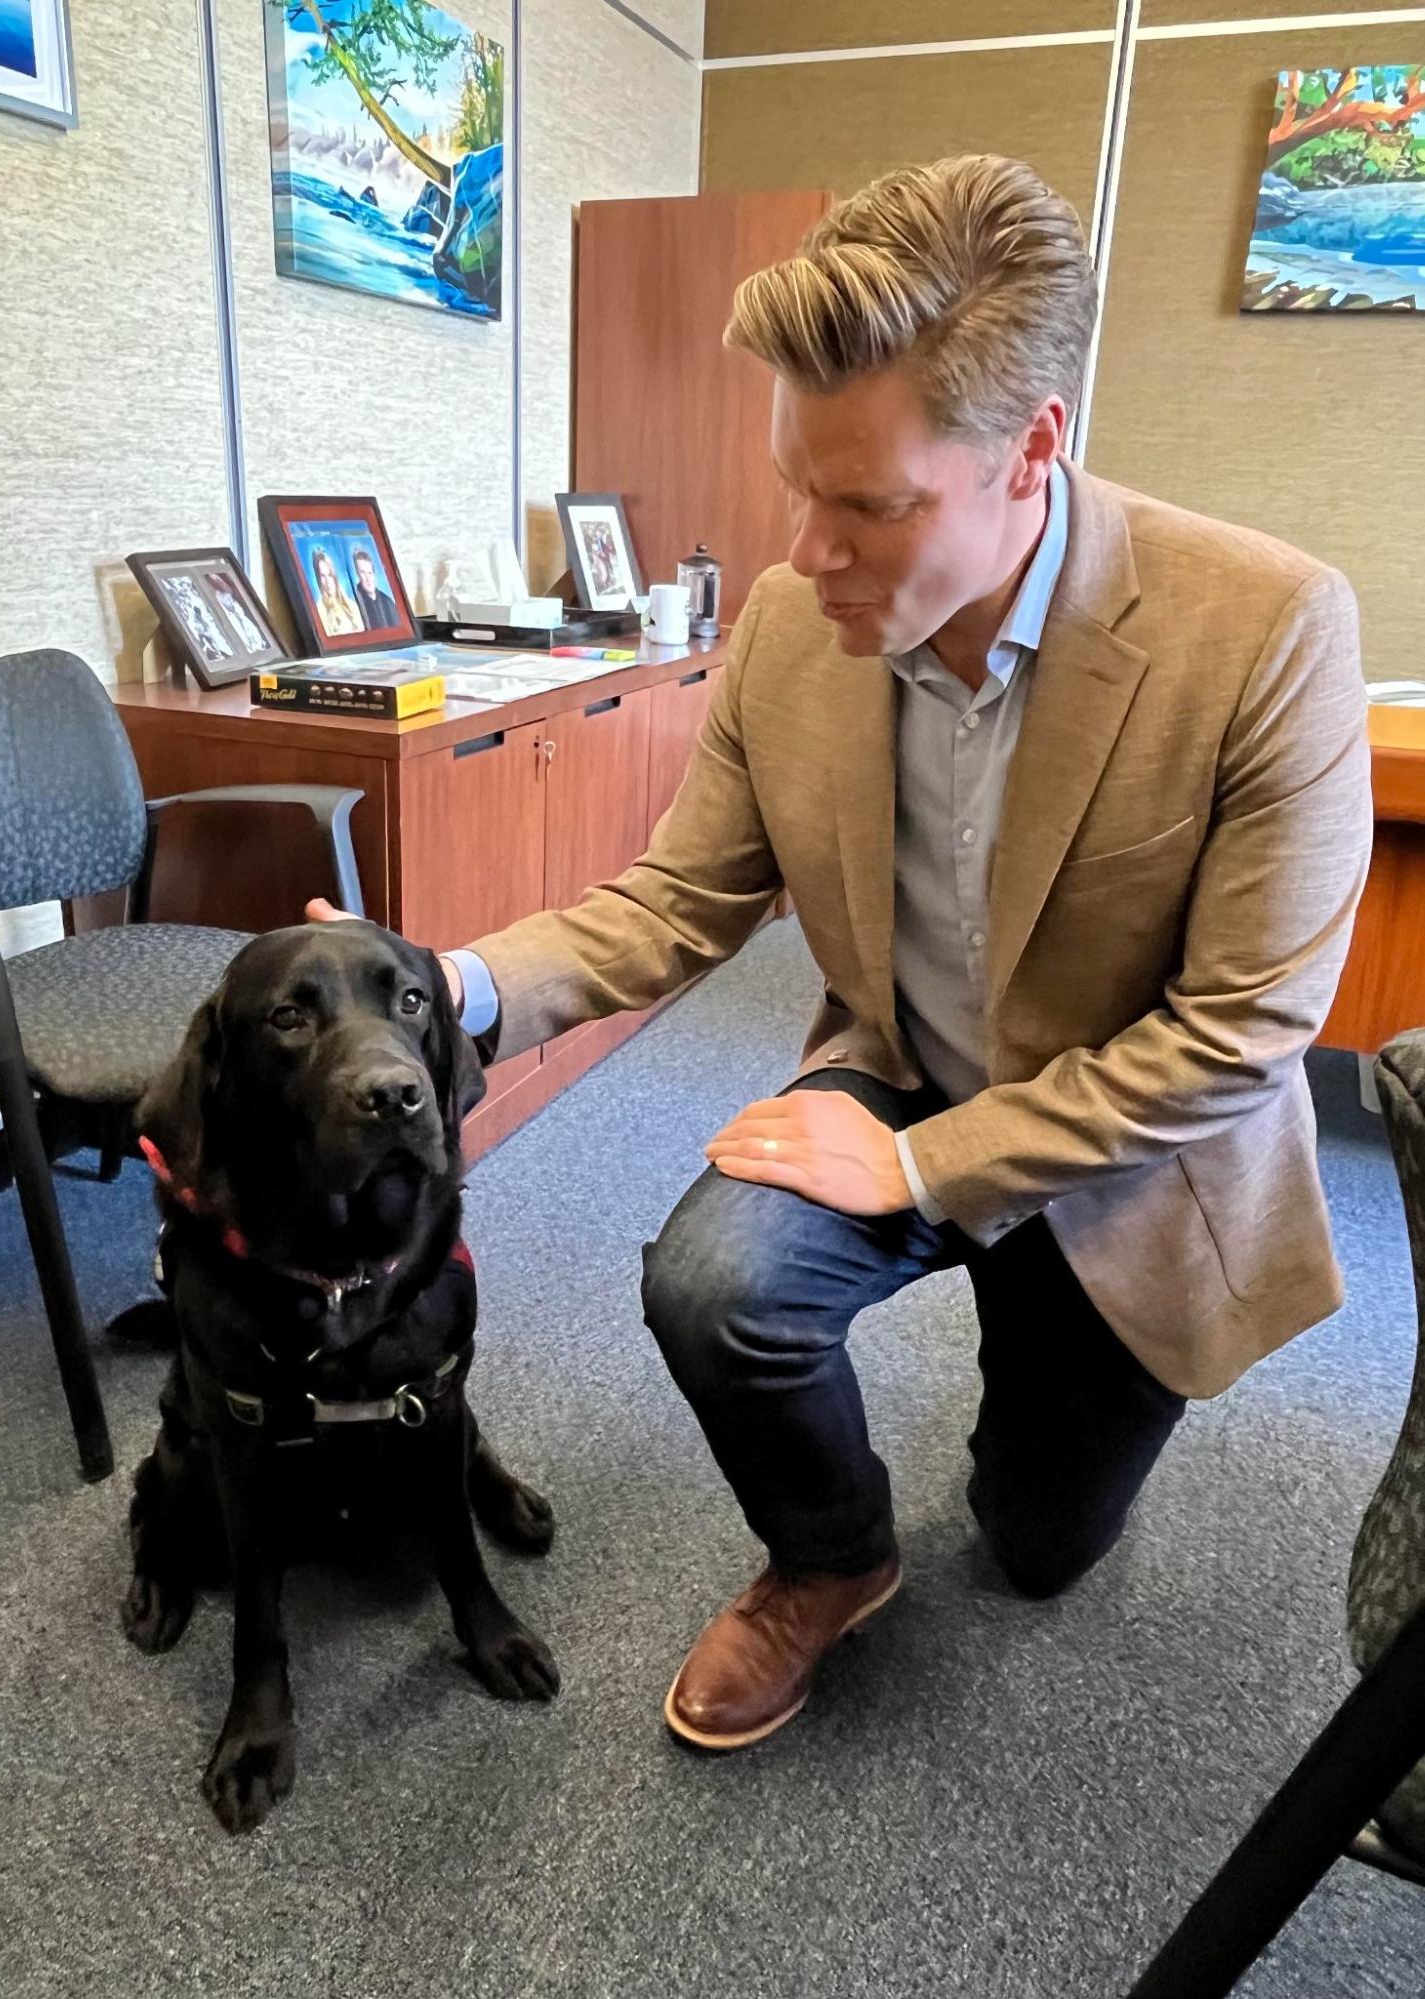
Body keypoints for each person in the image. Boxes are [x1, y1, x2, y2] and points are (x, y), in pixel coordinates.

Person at [309, 155, 1372, 1753]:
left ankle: (1038, 1406)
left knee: (1034, 1546)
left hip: (1132, 1161)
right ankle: (833, 1558)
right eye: (795, 485)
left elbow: (1240, 1032)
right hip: (898, 1065)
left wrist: (930, 1166)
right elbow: (673, 903)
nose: (805, 552)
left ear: (1033, 454)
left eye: (866, 504)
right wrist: (440, 981)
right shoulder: (792, 631)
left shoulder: (1267, 630)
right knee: (712, 1282)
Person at [310, 546, 363, 637]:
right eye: (323, 576)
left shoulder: (352, 605)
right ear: (318, 579)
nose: (327, 581)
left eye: (329, 575)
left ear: (334, 576)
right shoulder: (319, 611)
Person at [353, 547, 399, 630]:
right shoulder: (355, 603)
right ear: (357, 574)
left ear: (374, 574)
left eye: (370, 573)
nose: (368, 578)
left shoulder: (388, 602)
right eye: (363, 573)